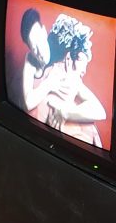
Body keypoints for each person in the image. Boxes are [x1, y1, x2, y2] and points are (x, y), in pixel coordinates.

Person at [41, 13, 106, 147]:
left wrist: (65, 112)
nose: (84, 70)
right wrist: (66, 112)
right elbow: (100, 111)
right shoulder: (67, 78)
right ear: (70, 57)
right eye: (83, 59)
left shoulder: (44, 72)